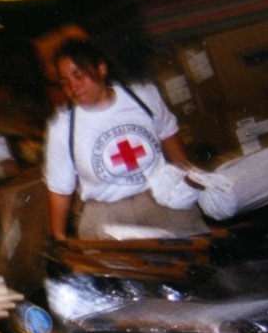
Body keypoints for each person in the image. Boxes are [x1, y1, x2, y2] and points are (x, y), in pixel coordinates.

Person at [44, 38, 204, 242]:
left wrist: (188, 180)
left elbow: (168, 135)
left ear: (101, 69)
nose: (73, 88)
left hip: (159, 198)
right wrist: (58, 240)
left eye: (79, 76)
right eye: (65, 82)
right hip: (107, 214)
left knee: (193, 255)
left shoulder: (143, 97)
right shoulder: (63, 128)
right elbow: (60, 189)